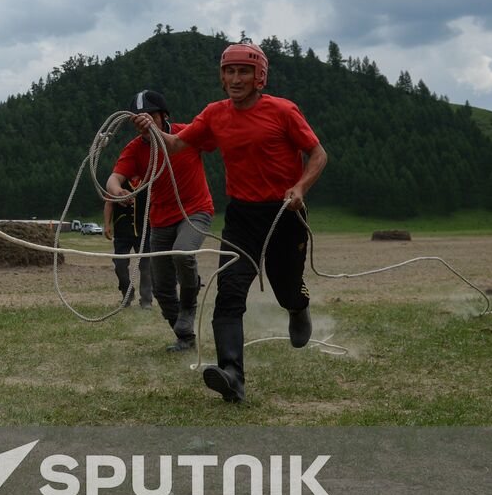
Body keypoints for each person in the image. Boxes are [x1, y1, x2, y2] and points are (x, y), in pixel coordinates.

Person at [135, 43, 327, 402]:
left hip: (285, 213)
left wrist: (300, 186)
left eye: (244, 72)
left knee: (286, 286)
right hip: (242, 217)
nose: (236, 79)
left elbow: (318, 153)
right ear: (222, 77)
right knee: (230, 293)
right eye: (230, 71)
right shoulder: (214, 115)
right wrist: (151, 129)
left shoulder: (283, 111)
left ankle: (297, 309)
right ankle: (231, 375)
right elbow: (176, 145)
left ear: (260, 77)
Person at [108, 90, 214, 352]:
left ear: (163, 116)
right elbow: (114, 178)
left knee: (182, 254)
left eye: (150, 117)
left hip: (195, 210)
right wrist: (117, 190)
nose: (144, 123)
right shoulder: (134, 149)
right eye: (138, 120)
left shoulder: (187, 133)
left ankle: (189, 305)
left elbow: (218, 141)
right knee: (162, 285)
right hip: (160, 218)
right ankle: (184, 336)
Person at [103, 176, 153, 310]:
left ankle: (147, 299)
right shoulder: (117, 180)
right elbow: (108, 202)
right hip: (122, 230)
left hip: (145, 230)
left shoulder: (149, 178)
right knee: (120, 265)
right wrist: (107, 224)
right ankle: (127, 293)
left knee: (146, 266)